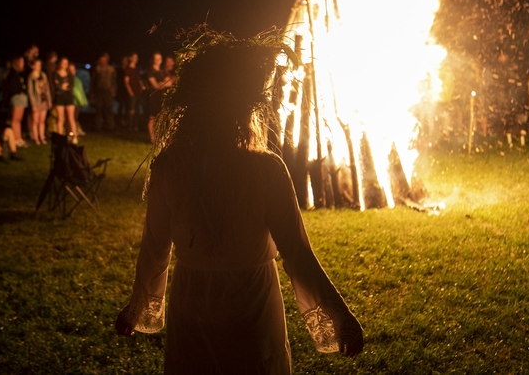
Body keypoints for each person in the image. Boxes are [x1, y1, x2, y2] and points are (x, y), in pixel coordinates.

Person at [115, 39, 363, 374]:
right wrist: (340, 316)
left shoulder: (171, 164)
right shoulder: (264, 168)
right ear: (246, 106)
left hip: (200, 301)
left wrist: (136, 308)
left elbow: (155, 249)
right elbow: (296, 252)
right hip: (249, 306)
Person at [145, 51, 174, 141]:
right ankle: (153, 140)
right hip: (154, 98)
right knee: (152, 118)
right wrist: (162, 84)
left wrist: (161, 84)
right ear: (153, 60)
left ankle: (168, 138)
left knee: (169, 117)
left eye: (159, 59)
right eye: (155, 59)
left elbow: (169, 83)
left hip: (163, 97)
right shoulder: (150, 71)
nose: (157, 60)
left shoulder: (162, 72)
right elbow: (155, 86)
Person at [4, 55, 28, 147]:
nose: (23, 64)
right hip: (16, 98)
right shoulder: (12, 73)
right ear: (17, 63)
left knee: (19, 120)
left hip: (22, 98)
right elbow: (11, 87)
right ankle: (14, 139)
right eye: (21, 62)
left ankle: (19, 138)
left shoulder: (19, 73)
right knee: (15, 119)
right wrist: (20, 91)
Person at [52, 57, 78, 143]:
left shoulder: (70, 75)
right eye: (63, 63)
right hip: (59, 98)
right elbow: (56, 86)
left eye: (66, 63)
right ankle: (60, 138)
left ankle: (74, 136)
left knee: (71, 118)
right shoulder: (55, 74)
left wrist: (63, 86)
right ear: (60, 64)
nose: (64, 65)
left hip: (68, 98)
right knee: (60, 119)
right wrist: (62, 87)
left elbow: (71, 86)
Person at [27, 59, 52, 145]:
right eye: (37, 65)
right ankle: (36, 138)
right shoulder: (31, 77)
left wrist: (49, 100)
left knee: (42, 120)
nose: (39, 67)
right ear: (33, 66)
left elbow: (47, 89)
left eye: (40, 65)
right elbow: (30, 92)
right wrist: (33, 104)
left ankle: (42, 137)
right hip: (36, 101)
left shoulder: (43, 75)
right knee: (35, 120)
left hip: (43, 101)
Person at [90, 52, 117, 131]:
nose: (103, 62)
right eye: (101, 60)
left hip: (107, 91)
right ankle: (98, 127)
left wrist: (113, 90)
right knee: (99, 109)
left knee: (109, 109)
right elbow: (93, 81)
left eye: (104, 60)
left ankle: (110, 126)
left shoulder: (111, 69)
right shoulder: (97, 69)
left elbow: (114, 80)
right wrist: (92, 93)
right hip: (99, 91)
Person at [123, 52, 143, 131]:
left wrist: (141, 88)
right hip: (132, 93)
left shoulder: (137, 69)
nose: (136, 59)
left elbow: (138, 80)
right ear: (130, 58)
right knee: (131, 110)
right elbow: (126, 82)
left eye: (137, 57)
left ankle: (136, 126)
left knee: (137, 110)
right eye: (134, 57)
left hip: (138, 92)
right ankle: (130, 126)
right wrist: (130, 92)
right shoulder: (128, 69)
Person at [70, 62, 88, 137]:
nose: (72, 71)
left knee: (75, 117)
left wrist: (82, 101)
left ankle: (75, 130)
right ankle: (71, 132)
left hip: (77, 102)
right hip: (70, 101)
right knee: (71, 117)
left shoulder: (77, 80)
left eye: (73, 69)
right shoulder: (68, 79)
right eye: (70, 70)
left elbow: (80, 92)